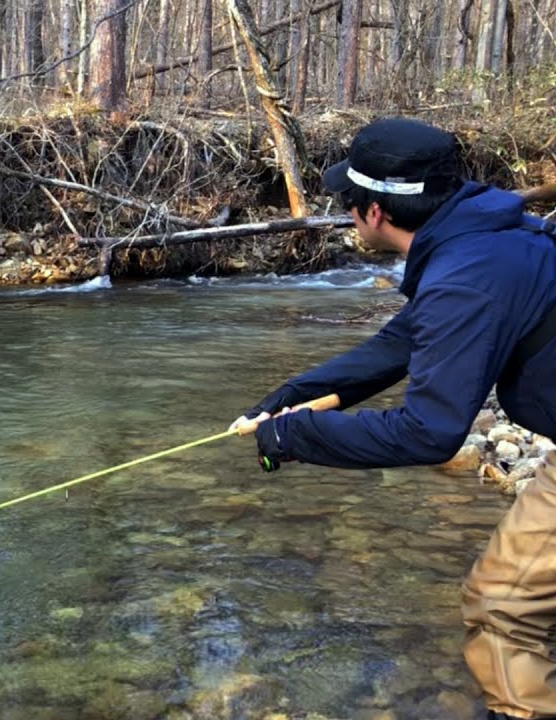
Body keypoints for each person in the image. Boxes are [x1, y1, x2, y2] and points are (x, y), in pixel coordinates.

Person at [233, 117, 556, 719]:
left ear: (374, 212)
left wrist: (295, 436)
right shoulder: (484, 239)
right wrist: (292, 396)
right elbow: (397, 345)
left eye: (348, 201)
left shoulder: (464, 278)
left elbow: (429, 433)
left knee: (502, 608)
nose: (348, 213)